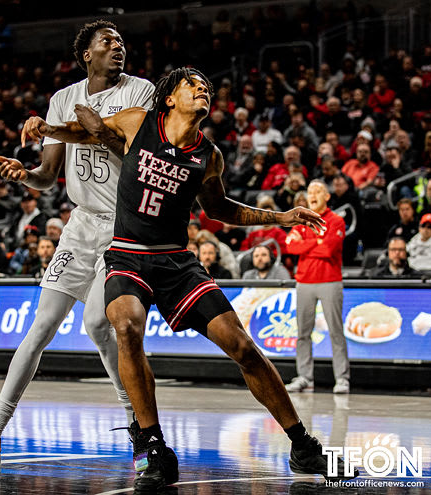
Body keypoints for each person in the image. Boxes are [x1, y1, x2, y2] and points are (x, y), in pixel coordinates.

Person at [22, 67, 355, 490]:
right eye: (193, 85)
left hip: (178, 263)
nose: (203, 90)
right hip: (127, 256)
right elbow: (84, 133)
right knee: (125, 326)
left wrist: (281, 216)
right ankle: (153, 446)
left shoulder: (209, 155)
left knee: (243, 347)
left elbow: (221, 211)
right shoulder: (138, 122)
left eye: (207, 87)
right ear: (169, 98)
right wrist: (46, 128)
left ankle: (302, 445)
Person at [0, 20, 155, 474]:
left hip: (124, 228)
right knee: (42, 325)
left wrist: (54, 127)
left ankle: (137, 425)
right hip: (81, 225)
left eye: (122, 43)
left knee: (96, 323)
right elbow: (48, 176)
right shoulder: (62, 98)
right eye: (108, 42)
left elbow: (112, 139)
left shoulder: (140, 91)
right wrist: (23, 174)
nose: (117, 48)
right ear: (86, 53)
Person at [285, 180, 350, 395]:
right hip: (304, 282)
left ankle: (342, 378)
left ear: (327, 196)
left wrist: (307, 245)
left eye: (318, 191)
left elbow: (329, 250)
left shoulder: (337, 221)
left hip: (330, 281)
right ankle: (304, 377)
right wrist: (317, 243)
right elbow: (291, 246)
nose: (312, 194)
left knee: (335, 332)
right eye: (310, 191)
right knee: (303, 333)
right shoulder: (302, 220)